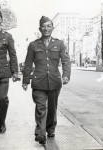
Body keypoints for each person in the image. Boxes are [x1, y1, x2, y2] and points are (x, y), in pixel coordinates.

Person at [22, 16, 71, 145]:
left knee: (52, 108)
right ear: (40, 29)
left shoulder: (59, 44)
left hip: (55, 81)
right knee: (40, 107)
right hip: (38, 81)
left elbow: (66, 61)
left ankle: (50, 128)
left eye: (49, 26)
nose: (46, 29)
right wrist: (25, 80)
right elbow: (28, 63)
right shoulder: (33, 45)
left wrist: (66, 75)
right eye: (43, 26)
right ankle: (40, 133)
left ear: (52, 28)